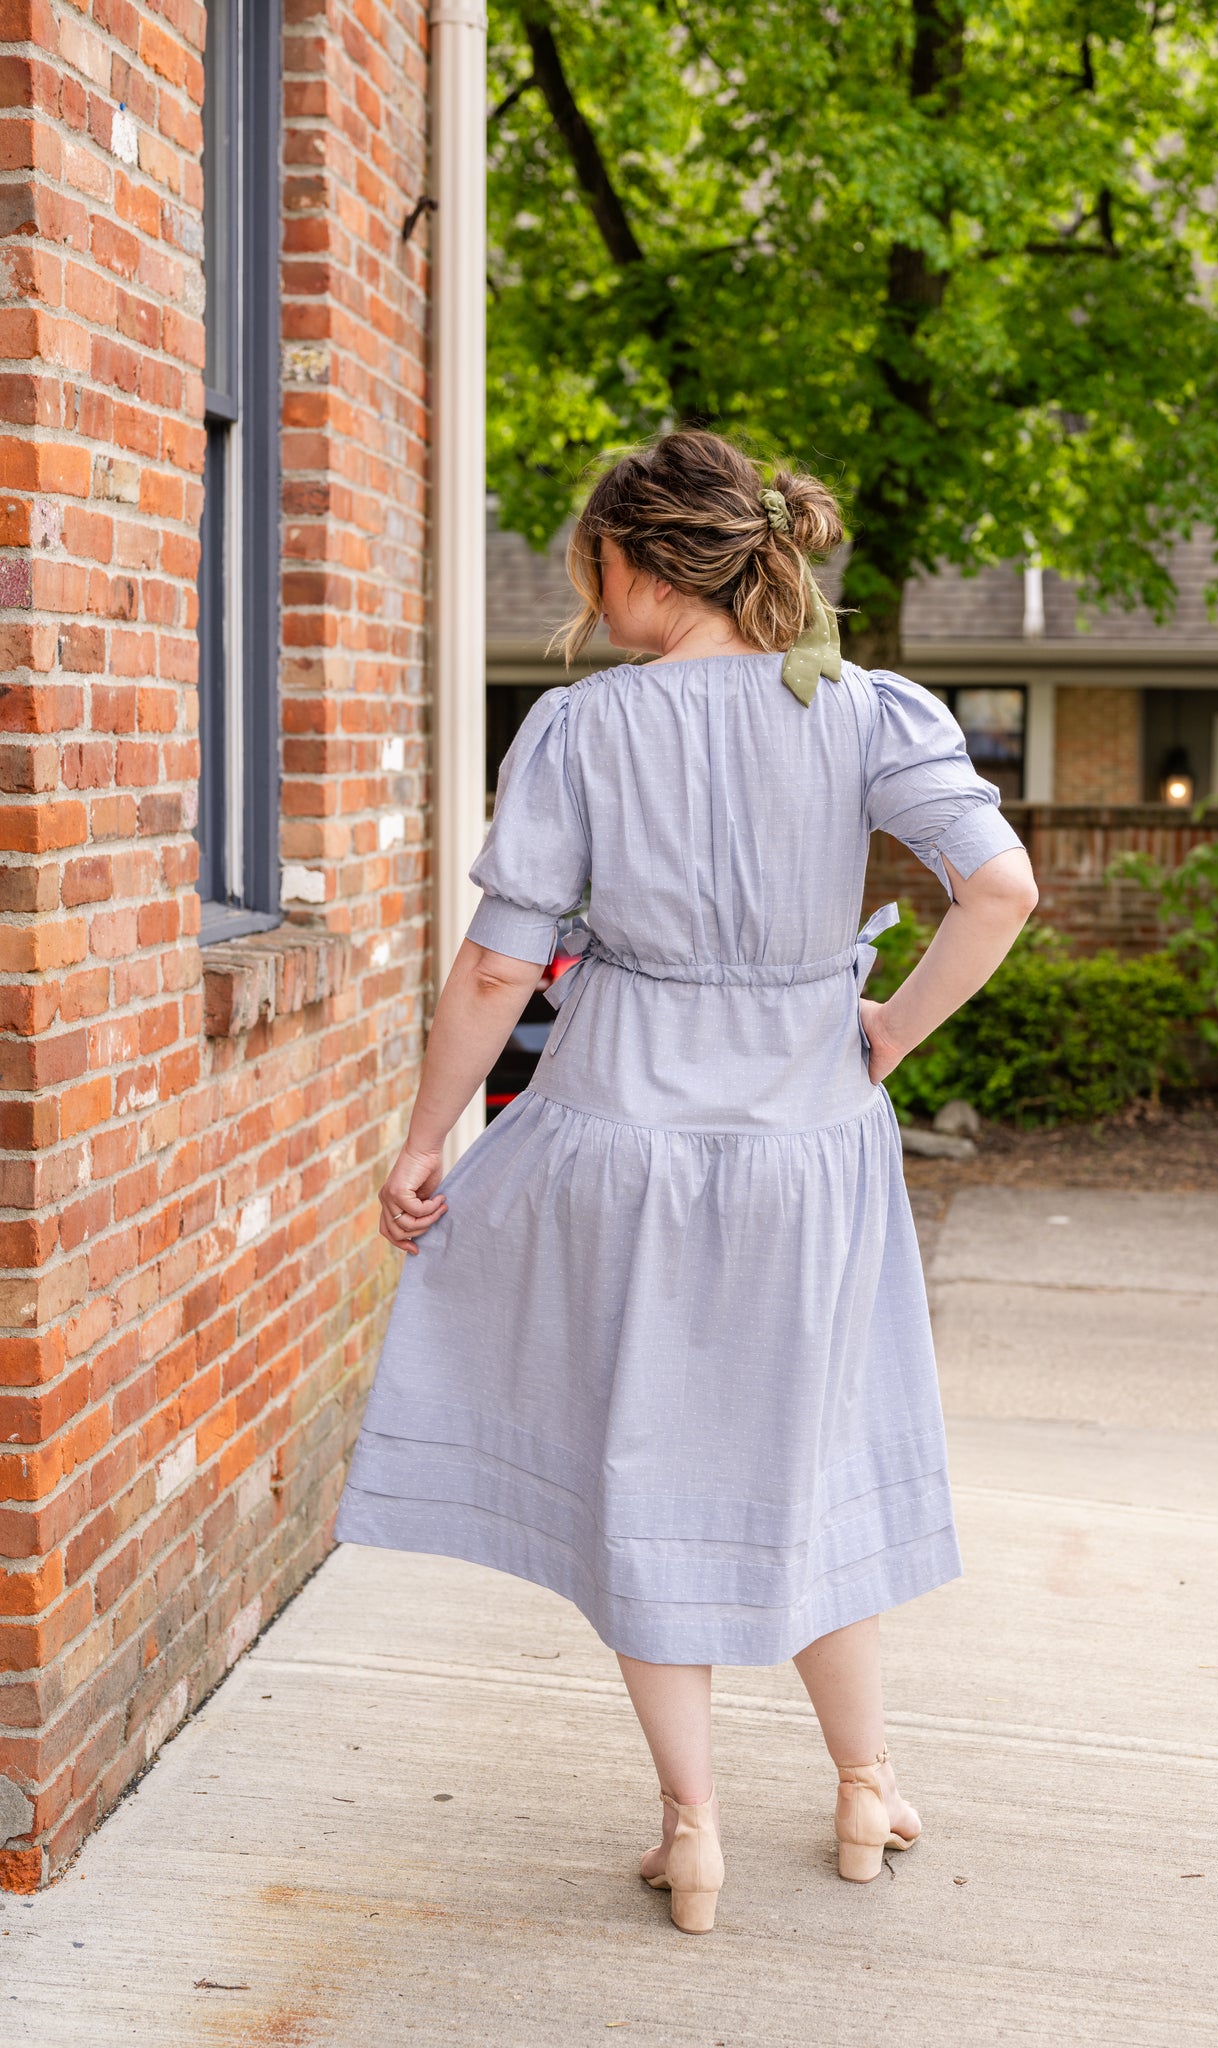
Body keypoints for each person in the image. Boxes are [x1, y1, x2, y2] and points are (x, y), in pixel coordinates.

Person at [333, 430, 1037, 1934]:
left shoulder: (584, 735)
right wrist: (890, 1032)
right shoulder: (860, 709)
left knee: (640, 1464)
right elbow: (1000, 888)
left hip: (621, 1142)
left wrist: (422, 1139)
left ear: (632, 562)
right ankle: (862, 1789)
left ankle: (694, 1828)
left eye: (589, 555)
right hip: (810, 1148)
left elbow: (493, 969)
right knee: (815, 1448)